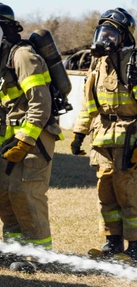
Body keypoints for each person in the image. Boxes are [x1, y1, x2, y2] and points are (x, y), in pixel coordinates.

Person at [0, 2, 61, 273]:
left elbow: (40, 104)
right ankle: (14, 247)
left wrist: (25, 140)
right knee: (5, 193)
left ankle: (38, 254)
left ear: (0, 31)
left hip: (35, 137)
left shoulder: (22, 56)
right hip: (10, 139)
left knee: (25, 193)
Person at [71, 9, 137, 261]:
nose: (104, 39)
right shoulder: (98, 63)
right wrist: (79, 133)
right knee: (105, 190)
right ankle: (112, 242)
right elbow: (88, 103)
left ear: (123, 37)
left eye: (111, 34)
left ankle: (135, 246)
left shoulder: (134, 61)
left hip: (129, 137)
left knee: (128, 191)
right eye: (102, 33)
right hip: (101, 137)